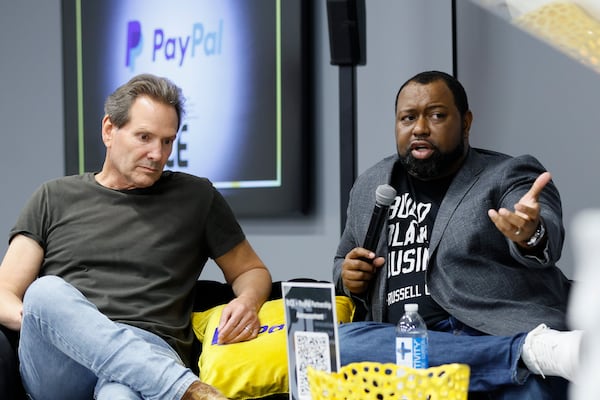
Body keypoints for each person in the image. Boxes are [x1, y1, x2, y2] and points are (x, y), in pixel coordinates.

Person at [0, 73, 272, 400]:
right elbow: (4, 292)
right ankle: (188, 390)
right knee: (45, 292)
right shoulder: (52, 197)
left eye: (167, 141)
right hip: (61, 363)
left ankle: (169, 384)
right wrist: (59, 324)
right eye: (144, 137)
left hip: (150, 347)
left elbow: (250, 270)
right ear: (109, 130)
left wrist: (248, 301)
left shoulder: (197, 197)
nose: (157, 153)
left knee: (120, 394)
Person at [333, 70, 582, 400]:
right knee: (338, 345)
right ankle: (525, 354)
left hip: (487, 329)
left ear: (465, 122)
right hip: (405, 341)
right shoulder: (372, 186)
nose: (420, 128)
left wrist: (529, 233)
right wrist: (349, 276)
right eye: (408, 118)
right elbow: (342, 261)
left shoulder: (508, 174)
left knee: (535, 391)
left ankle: (509, 358)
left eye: (436, 115)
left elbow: (545, 237)